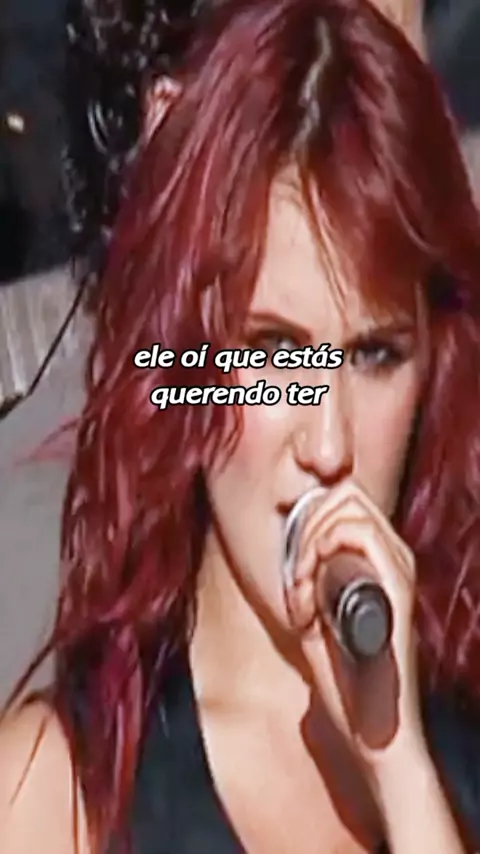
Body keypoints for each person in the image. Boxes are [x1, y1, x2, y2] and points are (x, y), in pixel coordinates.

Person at [4, 3, 480, 854]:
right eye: (275, 353)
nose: (327, 446)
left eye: (375, 354)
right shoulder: (56, 792)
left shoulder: (458, 724)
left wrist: (401, 769)